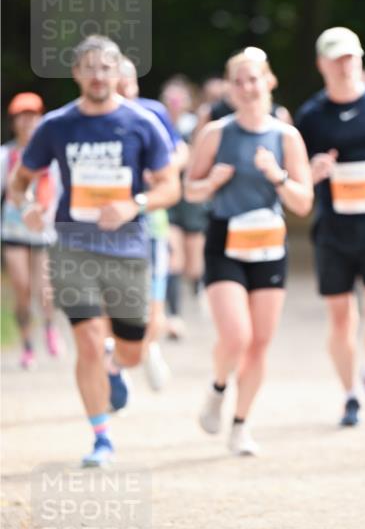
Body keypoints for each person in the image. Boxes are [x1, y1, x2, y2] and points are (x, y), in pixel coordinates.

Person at [9, 35, 179, 467]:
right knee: (86, 339)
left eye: (107, 68)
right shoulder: (57, 125)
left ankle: (116, 365)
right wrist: (28, 208)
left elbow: (169, 187)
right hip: (73, 246)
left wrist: (133, 204)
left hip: (127, 248)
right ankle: (101, 437)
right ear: (77, 73)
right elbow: (19, 181)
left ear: (118, 73)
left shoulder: (143, 123)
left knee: (132, 348)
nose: (99, 76)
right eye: (90, 67)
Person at [185, 48, 312, 455]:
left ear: (268, 81)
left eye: (253, 79)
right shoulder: (215, 133)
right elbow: (190, 189)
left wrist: (277, 176)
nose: (246, 87)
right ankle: (218, 388)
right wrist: (213, 183)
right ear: (229, 88)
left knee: (259, 342)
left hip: (269, 241)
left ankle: (240, 424)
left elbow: (303, 202)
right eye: (238, 81)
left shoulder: (286, 136)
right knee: (236, 336)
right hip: (226, 238)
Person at [295, 27, 365, 426]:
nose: (346, 66)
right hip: (333, 230)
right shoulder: (310, 116)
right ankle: (349, 396)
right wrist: (312, 171)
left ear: (360, 59)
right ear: (322, 64)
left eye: (351, 58)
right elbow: (297, 178)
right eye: (337, 59)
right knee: (342, 319)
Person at [118, 58, 188, 390]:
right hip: (105, 229)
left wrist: (161, 172)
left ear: (135, 84)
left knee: (153, 303)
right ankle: (118, 361)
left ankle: (148, 347)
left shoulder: (152, 113)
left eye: (126, 83)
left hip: (150, 222)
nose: (121, 90)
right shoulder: (88, 121)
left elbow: (180, 152)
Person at [1, 92, 60, 368]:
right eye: (22, 117)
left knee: (45, 289)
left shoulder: (52, 156)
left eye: (32, 116)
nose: (27, 122)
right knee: (21, 289)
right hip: (13, 230)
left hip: (43, 231)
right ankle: (27, 344)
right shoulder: (5, 156)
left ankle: (49, 325)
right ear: (14, 121)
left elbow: (60, 193)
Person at [160, 75, 205, 339]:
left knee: (193, 266)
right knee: (172, 259)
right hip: (169, 198)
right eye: (170, 99)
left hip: (192, 199)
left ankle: (199, 285)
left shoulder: (195, 125)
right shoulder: (157, 124)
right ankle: (174, 316)